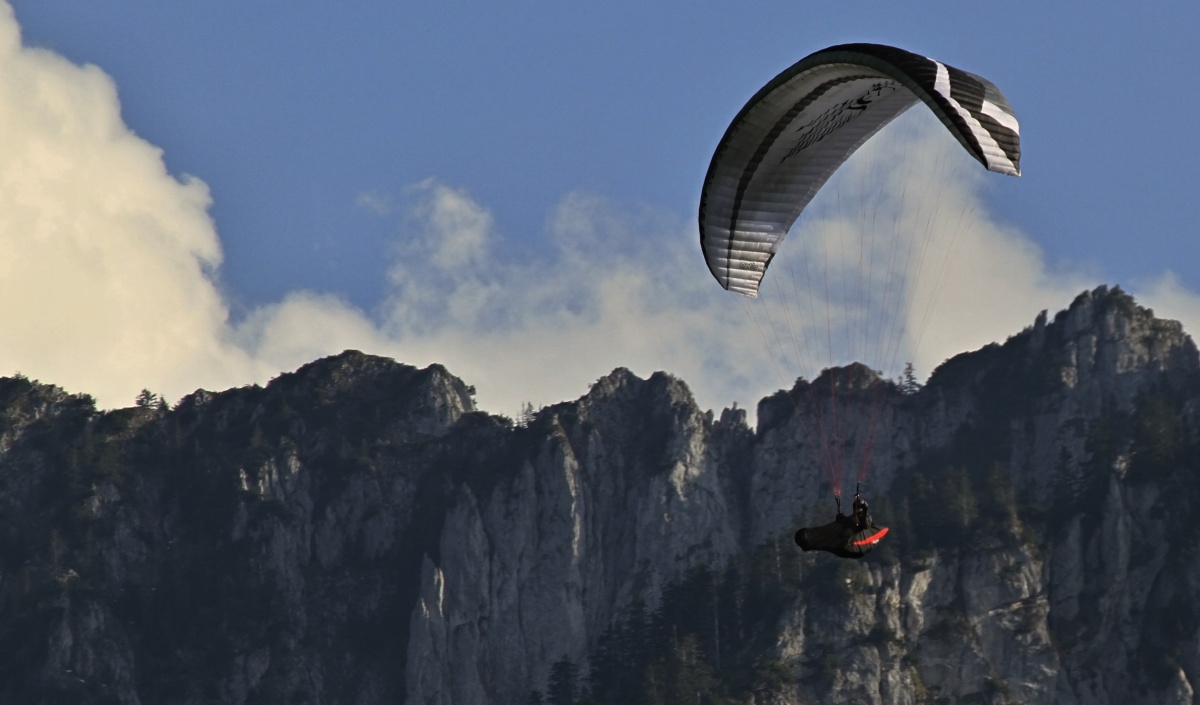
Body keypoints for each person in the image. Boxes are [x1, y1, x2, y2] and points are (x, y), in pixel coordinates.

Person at [794, 489, 888, 559]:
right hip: (849, 545)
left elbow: (863, 525)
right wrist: (863, 508)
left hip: (848, 544)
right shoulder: (862, 527)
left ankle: (857, 515)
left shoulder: (866, 528)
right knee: (850, 525)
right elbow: (863, 525)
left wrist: (863, 509)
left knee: (850, 525)